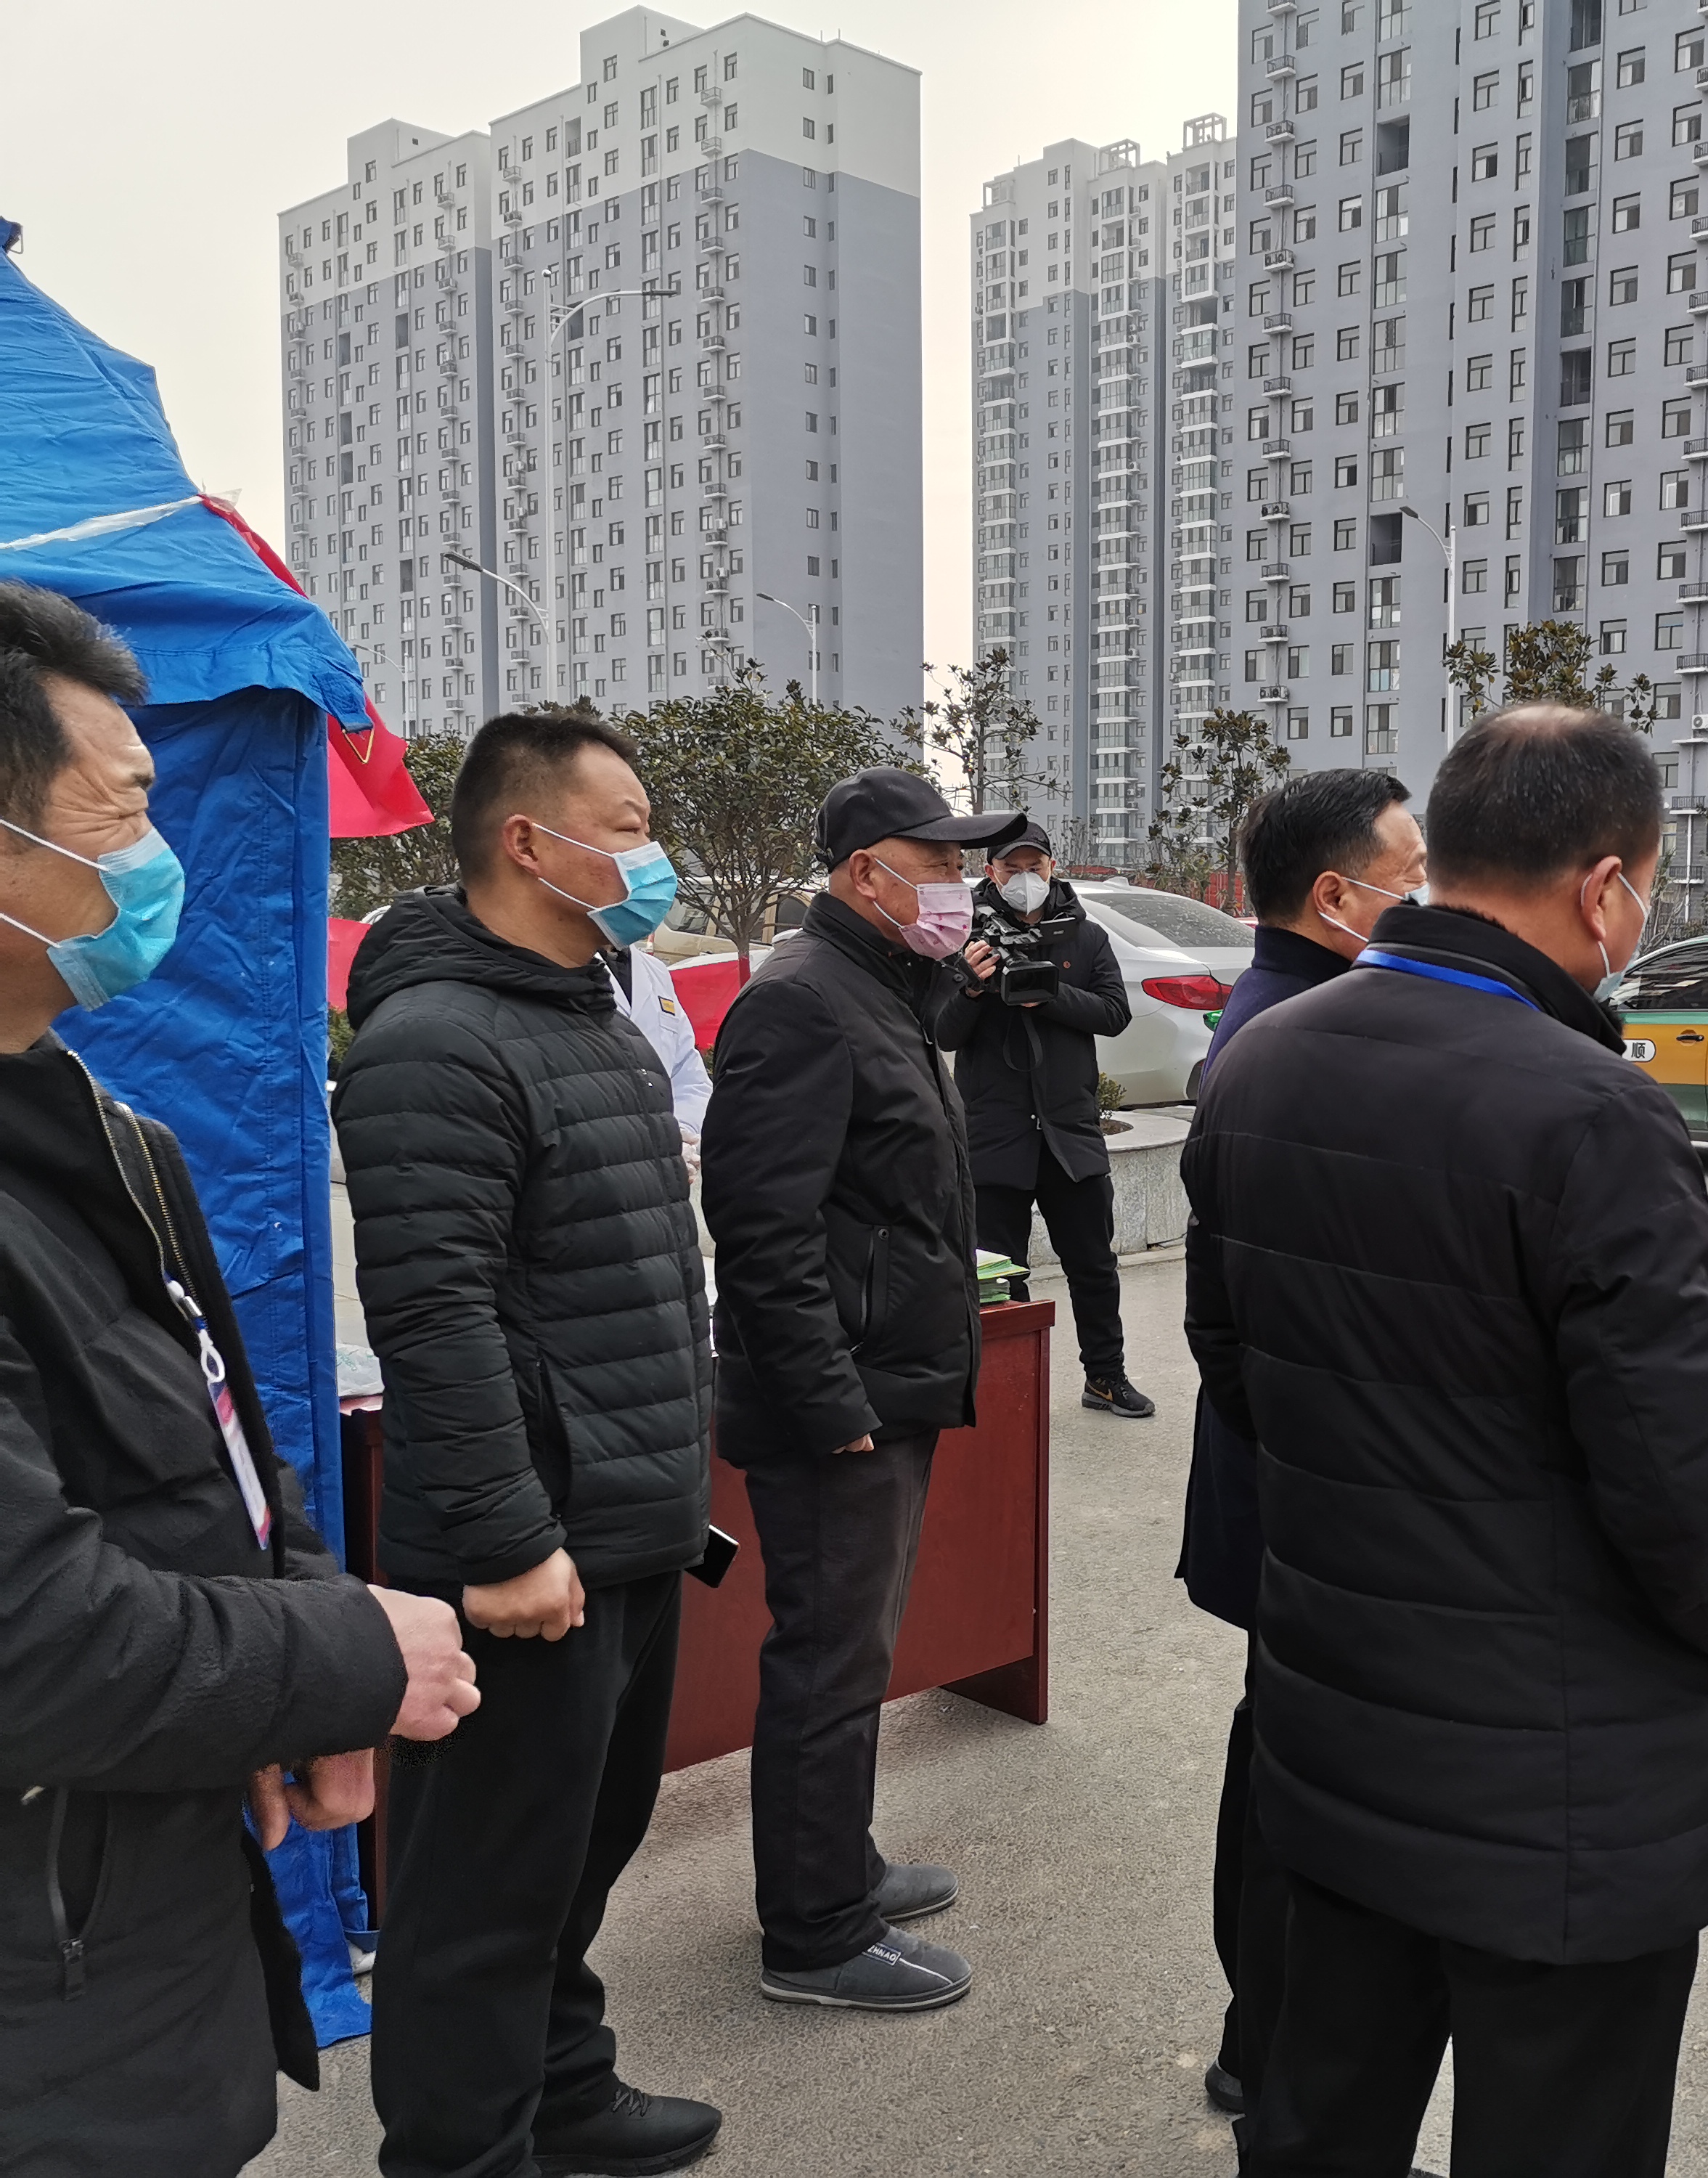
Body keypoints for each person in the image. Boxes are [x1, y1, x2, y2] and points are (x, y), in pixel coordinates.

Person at [1184, 704, 1708, 2177]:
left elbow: (1236, 1372)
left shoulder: (1261, 1060)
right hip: (1559, 1788)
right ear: (1605, 885)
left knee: (1318, 2121)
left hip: (1335, 1734)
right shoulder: (1593, 1110)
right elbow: (1680, 1471)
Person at [0, 583, 477, 2177]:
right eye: (123, 811)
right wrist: (354, 1652)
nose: (159, 857)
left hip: (146, 1915)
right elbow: (31, 1642)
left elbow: (224, 1440)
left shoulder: (105, 1133)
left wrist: (304, 1665)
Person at [338, 711, 721, 2176]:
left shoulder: (587, 1011)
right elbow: (434, 1316)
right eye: (624, 829)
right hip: (525, 1552)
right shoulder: (437, 1043)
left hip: (622, 1523)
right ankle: (460, 2151)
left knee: (574, 1854)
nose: (650, 858)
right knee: (482, 1895)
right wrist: (508, 1541)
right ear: (526, 841)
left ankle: (564, 2091)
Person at [701, 768, 1024, 2014]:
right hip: (839, 1406)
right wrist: (832, 1404)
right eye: (936, 864)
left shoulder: (880, 986)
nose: (958, 886)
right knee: (828, 1662)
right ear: (862, 875)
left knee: (855, 1650)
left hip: (885, 1383)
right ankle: (815, 1932)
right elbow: (762, 1230)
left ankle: (840, 1863)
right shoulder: (800, 1001)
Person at [1172, 767, 1424, 2123]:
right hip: (1301, 1489)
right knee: (1295, 1771)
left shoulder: (1297, 1015)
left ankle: (1255, 2036)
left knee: (1282, 1747)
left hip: (1291, 1479)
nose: (1430, 895)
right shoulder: (1293, 1040)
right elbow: (1240, 1325)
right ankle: (1266, 2048)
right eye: (1411, 875)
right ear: (1337, 896)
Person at [940, 822, 1146, 1418]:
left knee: (1094, 1266)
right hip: (996, 1133)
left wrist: (1050, 993)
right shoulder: (962, 937)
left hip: (1069, 1134)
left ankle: (1105, 1376)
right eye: (1013, 868)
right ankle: (1007, 1394)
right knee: (999, 1277)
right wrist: (971, 988)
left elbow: (1114, 1013)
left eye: (1036, 867)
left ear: (1053, 868)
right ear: (991, 872)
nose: (1025, 878)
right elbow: (943, 1032)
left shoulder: (1086, 936)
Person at [608, 937, 712, 1174]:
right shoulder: (560, 968)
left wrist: (680, 1137)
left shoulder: (655, 971)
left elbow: (688, 1073)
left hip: (660, 1172)